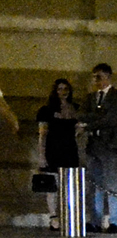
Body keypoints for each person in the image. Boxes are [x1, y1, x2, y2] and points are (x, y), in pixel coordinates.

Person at [82, 62, 117, 232]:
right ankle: (95, 220)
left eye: (98, 77)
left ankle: (114, 221)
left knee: (113, 185)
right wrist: (96, 118)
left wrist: (88, 125)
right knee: (95, 185)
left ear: (107, 77)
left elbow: (111, 119)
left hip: (112, 146)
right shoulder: (89, 98)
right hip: (94, 145)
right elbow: (83, 114)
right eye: (94, 77)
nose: (95, 80)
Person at [34, 79, 79, 222]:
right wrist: (41, 156)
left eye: (66, 89)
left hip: (70, 150)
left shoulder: (75, 108)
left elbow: (78, 130)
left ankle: (67, 214)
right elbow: (42, 134)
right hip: (53, 150)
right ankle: (54, 217)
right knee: (52, 186)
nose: (63, 92)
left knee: (69, 185)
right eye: (60, 89)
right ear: (55, 91)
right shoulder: (46, 110)